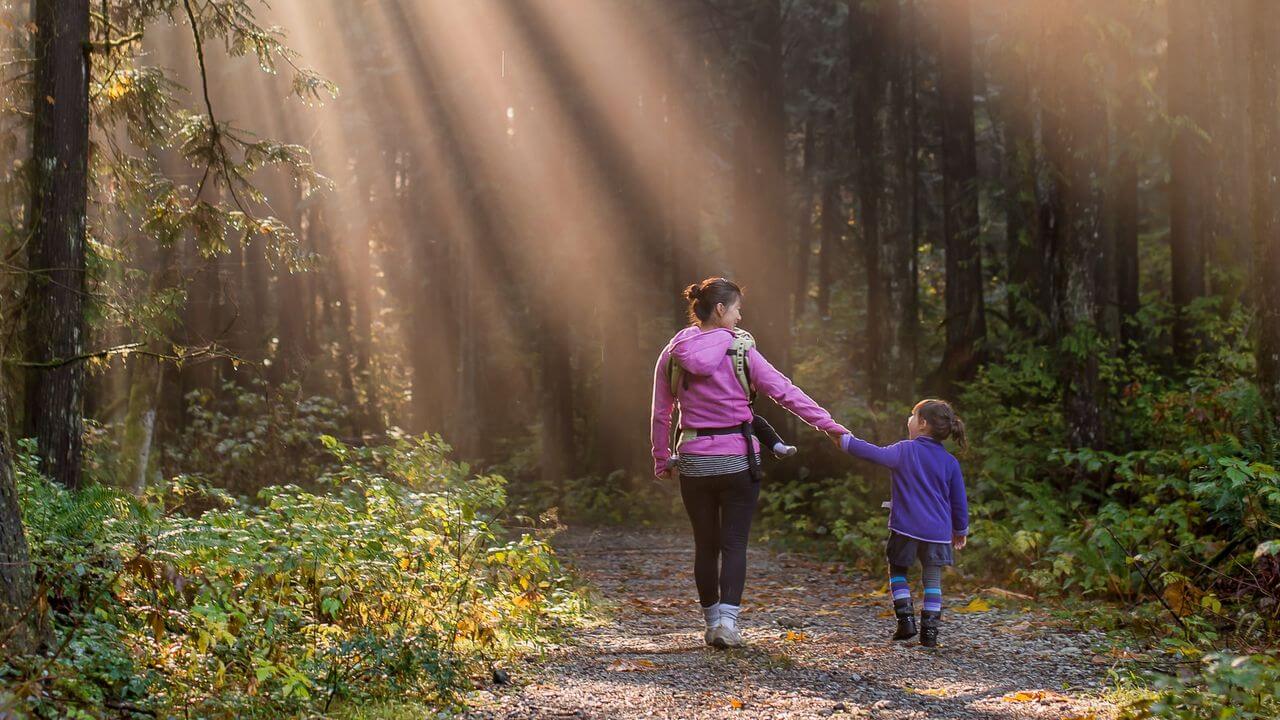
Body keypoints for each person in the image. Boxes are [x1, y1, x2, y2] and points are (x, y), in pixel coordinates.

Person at [651, 277, 849, 648]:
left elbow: (662, 413)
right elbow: (785, 392)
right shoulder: (741, 349)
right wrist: (829, 426)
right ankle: (728, 625)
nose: (740, 317)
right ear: (720, 309)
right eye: (737, 309)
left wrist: (662, 458)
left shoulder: (673, 352)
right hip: (738, 461)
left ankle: (711, 624)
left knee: (705, 545)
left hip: (694, 460)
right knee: (734, 544)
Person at [833, 399, 969, 648]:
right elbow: (959, 501)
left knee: (897, 571)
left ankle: (905, 621)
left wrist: (845, 441)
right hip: (937, 532)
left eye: (912, 415)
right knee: (933, 580)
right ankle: (930, 633)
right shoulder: (950, 462)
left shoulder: (905, 450)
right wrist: (960, 530)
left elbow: (873, 453)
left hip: (906, 527)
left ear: (923, 423)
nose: (909, 420)